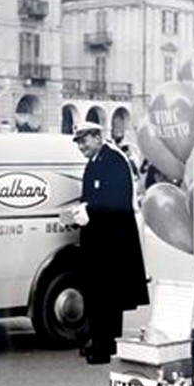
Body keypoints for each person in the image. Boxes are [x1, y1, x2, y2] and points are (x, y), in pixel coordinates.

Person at [71, 121, 149, 364]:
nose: (81, 146)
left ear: (97, 137)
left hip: (114, 241)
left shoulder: (114, 160)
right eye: (78, 142)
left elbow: (117, 202)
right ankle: (100, 341)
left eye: (84, 141)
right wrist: (81, 212)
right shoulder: (95, 162)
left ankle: (104, 347)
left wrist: (89, 210)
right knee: (98, 294)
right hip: (99, 239)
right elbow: (91, 196)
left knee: (108, 297)